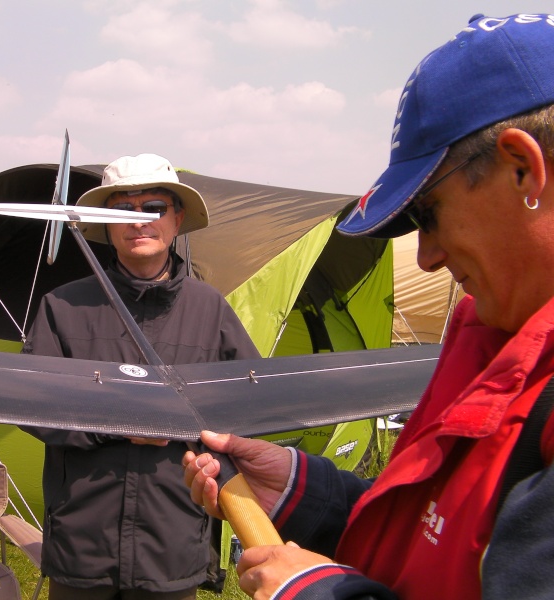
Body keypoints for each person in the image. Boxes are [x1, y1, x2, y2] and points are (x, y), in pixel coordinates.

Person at [183, 13, 554, 600]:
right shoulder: (489, 336)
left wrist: (317, 592)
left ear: (522, 168)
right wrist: (303, 491)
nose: (426, 257)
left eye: (427, 215)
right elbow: (441, 534)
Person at [21, 153, 261, 600]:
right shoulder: (63, 307)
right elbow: (31, 403)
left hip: (171, 539)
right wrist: (119, 425)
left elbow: (247, 404)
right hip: (82, 539)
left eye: (153, 208)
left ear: (176, 219)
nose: (138, 223)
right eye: (121, 211)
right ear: (104, 224)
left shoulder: (210, 310)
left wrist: (192, 428)